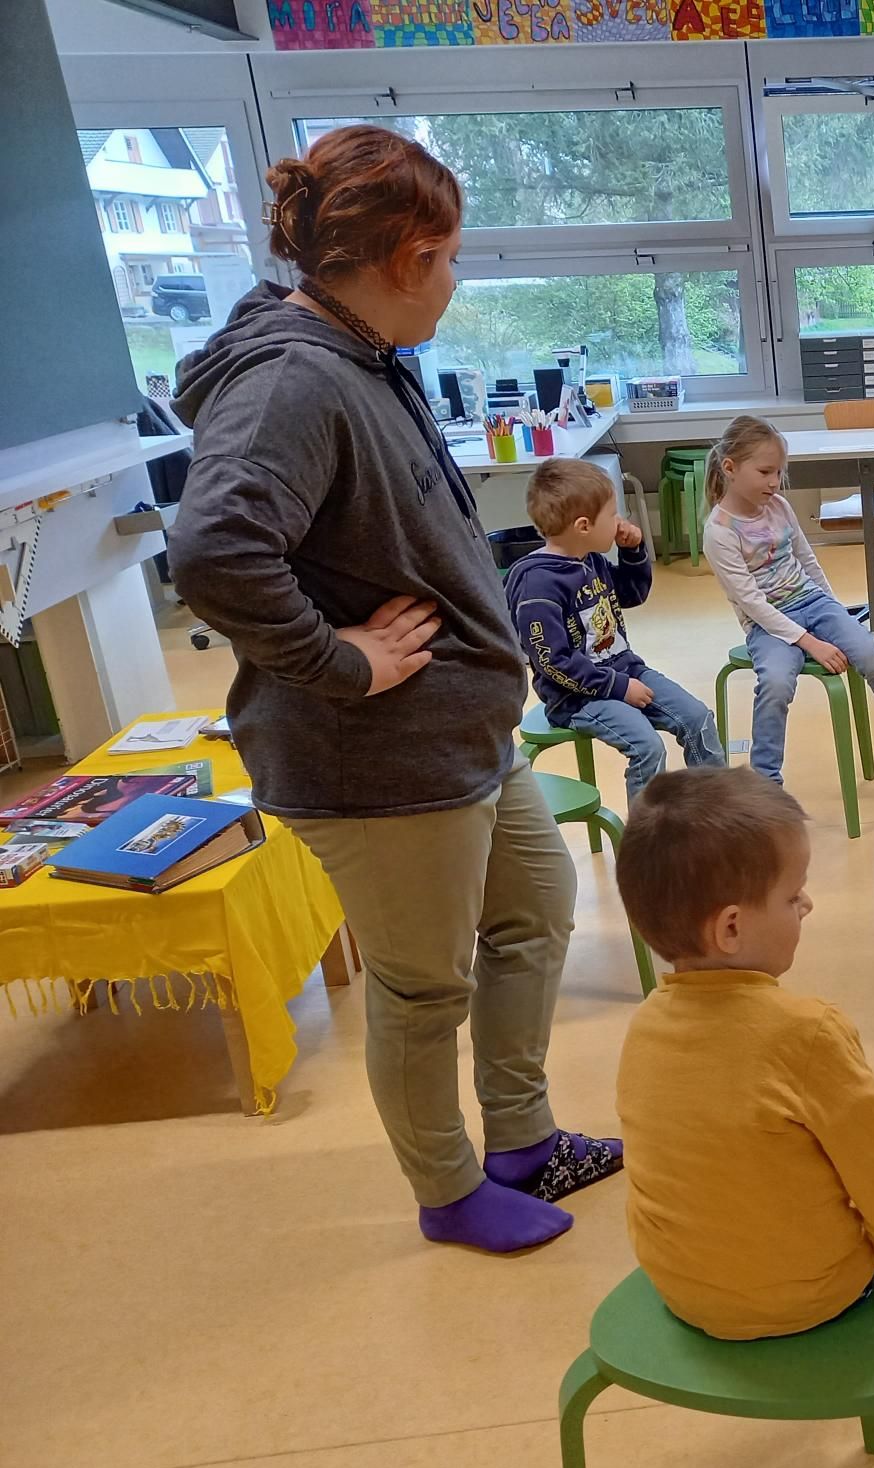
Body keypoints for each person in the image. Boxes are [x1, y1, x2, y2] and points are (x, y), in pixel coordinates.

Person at [167, 125, 614, 1253]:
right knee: (422, 991)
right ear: (410, 255)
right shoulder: (293, 378)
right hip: (379, 762)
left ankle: (520, 1140)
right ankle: (450, 1191)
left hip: (458, 737)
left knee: (532, 912)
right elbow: (217, 550)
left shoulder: (363, 357)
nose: (456, 284)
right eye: (454, 258)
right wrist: (340, 659)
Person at [614, 767, 874, 1339]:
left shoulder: (644, 1026)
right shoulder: (808, 1033)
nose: (807, 905)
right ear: (730, 928)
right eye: (791, 895)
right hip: (817, 1296)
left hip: (684, 1295)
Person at [700, 416, 874, 784]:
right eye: (765, 472)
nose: (774, 482)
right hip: (767, 622)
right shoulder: (720, 531)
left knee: (873, 656)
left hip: (813, 602)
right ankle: (765, 781)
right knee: (775, 685)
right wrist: (810, 643)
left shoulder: (780, 507)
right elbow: (752, 602)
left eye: (778, 472)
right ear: (730, 468)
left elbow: (807, 560)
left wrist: (833, 611)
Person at [508, 458, 724, 802]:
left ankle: (713, 812)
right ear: (582, 526)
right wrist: (619, 687)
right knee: (647, 747)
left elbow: (632, 594)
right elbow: (553, 661)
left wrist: (633, 551)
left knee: (697, 719)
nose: (619, 521)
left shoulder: (589, 559)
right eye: (612, 514)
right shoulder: (538, 584)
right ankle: (646, 840)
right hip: (576, 697)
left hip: (625, 671)